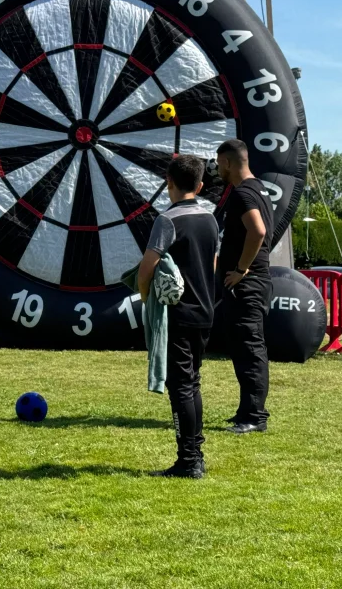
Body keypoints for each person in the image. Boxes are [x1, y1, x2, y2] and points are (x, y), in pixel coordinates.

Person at [137, 155, 220, 478]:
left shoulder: (167, 220)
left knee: (180, 386)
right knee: (193, 382)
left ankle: (189, 460)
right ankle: (195, 453)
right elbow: (211, 264)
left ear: (167, 182)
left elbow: (147, 268)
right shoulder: (211, 219)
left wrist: (147, 299)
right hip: (204, 312)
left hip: (177, 315)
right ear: (200, 186)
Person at [215, 139, 274, 434]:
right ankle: (245, 411)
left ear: (227, 162)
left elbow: (258, 231)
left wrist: (241, 269)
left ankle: (254, 416)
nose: (217, 169)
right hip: (255, 282)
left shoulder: (242, 193)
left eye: (218, 163)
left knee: (250, 348)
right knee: (244, 347)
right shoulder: (259, 188)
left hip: (248, 284)